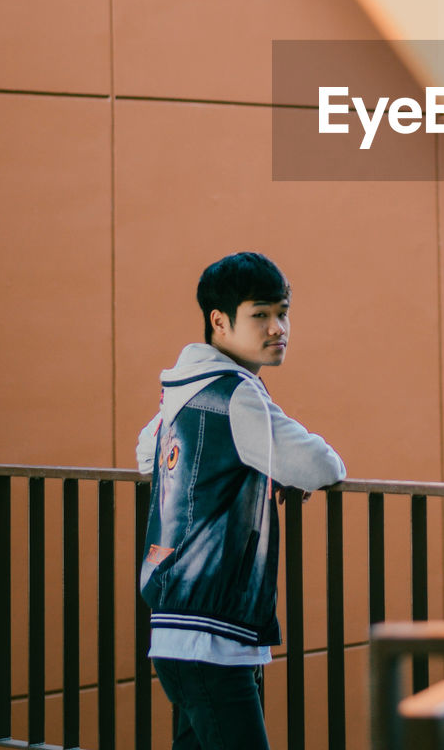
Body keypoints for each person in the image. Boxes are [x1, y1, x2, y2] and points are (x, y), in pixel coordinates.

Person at [137, 251, 346, 750]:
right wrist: (266, 462)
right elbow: (324, 466)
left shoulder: (184, 393)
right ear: (219, 321)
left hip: (178, 624)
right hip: (210, 635)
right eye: (260, 315)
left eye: (283, 312)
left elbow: (148, 454)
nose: (278, 327)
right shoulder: (235, 395)